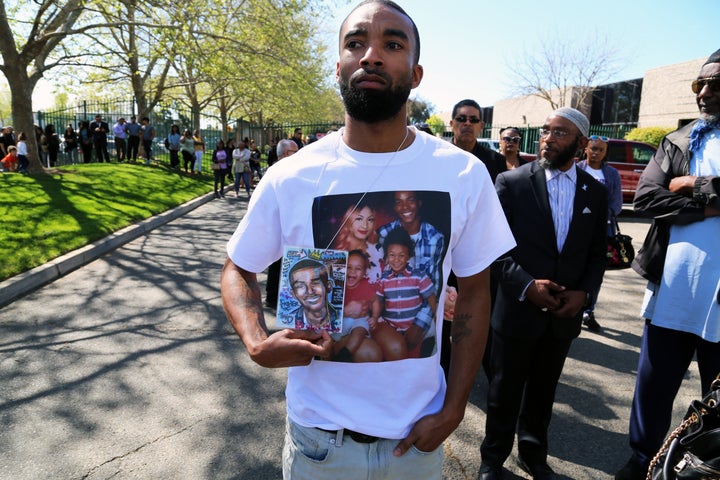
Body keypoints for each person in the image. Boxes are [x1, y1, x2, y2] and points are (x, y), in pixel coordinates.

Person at [221, 2, 515, 478]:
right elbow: (238, 267)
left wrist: (455, 408)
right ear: (339, 67)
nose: (372, 55)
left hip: (417, 441)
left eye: (392, 44)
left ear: (416, 73)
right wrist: (256, 339)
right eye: (356, 43)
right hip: (319, 443)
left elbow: (478, 294)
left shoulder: (463, 173)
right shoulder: (289, 176)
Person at [479, 107, 608, 480]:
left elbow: (597, 253)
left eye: (560, 133)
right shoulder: (512, 182)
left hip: (562, 317)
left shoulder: (595, 193)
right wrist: (526, 286)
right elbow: (495, 249)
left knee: (543, 392)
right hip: (518, 311)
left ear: (582, 143)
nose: (548, 139)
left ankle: (534, 456)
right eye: (546, 131)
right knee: (504, 392)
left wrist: (583, 294)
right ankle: (492, 461)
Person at [614, 48, 720, 480]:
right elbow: (647, 198)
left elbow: (675, 192)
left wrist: (695, 184)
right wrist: (712, 205)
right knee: (653, 392)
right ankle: (644, 463)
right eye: (700, 84)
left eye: (716, 84)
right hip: (674, 292)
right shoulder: (678, 141)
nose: (705, 93)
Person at [576, 134, 622, 332]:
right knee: (574, 269)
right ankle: (573, 309)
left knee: (595, 273)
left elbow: (617, 204)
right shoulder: (576, 168)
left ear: (605, 153)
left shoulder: (611, 175)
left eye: (600, 150)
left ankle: (588, 312)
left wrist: (599, 215)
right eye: (593, 148)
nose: (595, 153)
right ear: (585, 148)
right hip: (576, 229)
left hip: (601, 231)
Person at [370, 227, 437, 360]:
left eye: (401, 255)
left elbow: (430, 297)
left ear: (409, 256)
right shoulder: (384, 279)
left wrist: (437, 318)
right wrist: (375, 317)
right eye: (392, 255)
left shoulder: (418, 276)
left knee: (411, 363)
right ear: (387, 256)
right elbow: (378, 300)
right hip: (391, 329)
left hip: (411, 331)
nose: (396, 260)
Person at [263, 138, 299, 309]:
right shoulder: (277, 171)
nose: (299, 155)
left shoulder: (289, 170)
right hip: (277, 223)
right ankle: (273, 298)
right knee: (277, 262)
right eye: (295, 152)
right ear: (286, 153)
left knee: (283, 262)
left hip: (286, 222)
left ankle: (276, 298)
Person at [334, 250, 383, 362]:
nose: (352, 272)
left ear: (364, 272)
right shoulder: (336, 283)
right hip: (340, 321)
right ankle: (330, 350)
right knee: (331, 334)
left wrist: (375, 317)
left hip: (359, 321)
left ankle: (346, 353)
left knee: (360, 330)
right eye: (349, 267)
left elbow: (375, 301)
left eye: (358, 269)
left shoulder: (365, 285)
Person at [450, 99, 507, 183]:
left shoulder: (496, 161)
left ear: (481, 126)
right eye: (461, 119)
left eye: (473, 120)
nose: (468, 123)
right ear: (452, 124)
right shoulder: (437, 157)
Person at [332, 199, 383, 283]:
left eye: (370, 220)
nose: (365, 225)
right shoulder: (335, 253)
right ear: (348, 220)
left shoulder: (378, 251)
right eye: (359, 219)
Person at [287, 259, 342, 332]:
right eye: (300, 286)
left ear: (328, 286)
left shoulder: (341, 317)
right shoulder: (288, 320)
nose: (310, 291)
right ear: (293, 294)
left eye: (316, 283)